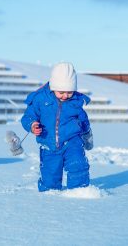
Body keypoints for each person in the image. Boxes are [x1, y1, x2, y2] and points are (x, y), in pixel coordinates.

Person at [21, 62, 93, 192]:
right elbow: (27, 117)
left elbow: (83, 120)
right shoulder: (40, 99)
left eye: (69, 92)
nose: (65, 96)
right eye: (61, 92)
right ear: (53, 87)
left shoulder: (76, 101)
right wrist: (32, 125)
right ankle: (50, 195)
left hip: (72, 141)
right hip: (49, 143)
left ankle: (80, 192)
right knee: (50, 175)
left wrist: (87, 136)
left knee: (78, 165)